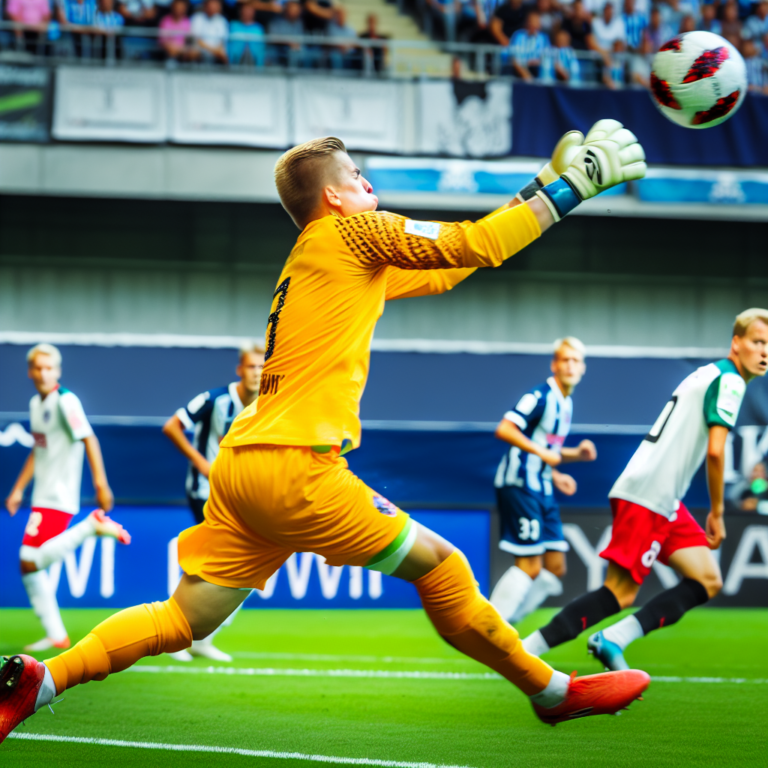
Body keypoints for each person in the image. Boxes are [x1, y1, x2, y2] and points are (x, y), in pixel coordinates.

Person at [0, 122, 650, 741]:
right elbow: (471, 244)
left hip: (242, 468)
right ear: (335, 197)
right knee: (444, 568)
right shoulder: (353, 235)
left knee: (182, 617)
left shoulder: (331, 255)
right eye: (360, 176)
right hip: (297, 468)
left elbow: (453, 265)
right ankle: (553, 692)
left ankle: (41, 681)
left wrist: (540, 183)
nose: (370, 185)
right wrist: (576, 186)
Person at [523, 309, 768, 669]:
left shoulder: (708, 373)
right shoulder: (731, 382)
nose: (764, 352)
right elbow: (716, 451)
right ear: (736, 343)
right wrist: (716, 512)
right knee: (619, 593)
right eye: (758, 342)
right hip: (651, 494)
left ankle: (613, 639)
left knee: (707, 579)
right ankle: (525, 650)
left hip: (663, 497)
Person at [3, 344, 131, 653]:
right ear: (31, 371)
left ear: (58, 371)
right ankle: (56, 635)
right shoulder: (37, 404)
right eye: (38, 368)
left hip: (59, 496)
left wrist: (101, 483)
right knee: (28, 564)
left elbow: (88, 438)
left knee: (29, 559)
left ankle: (91, 526)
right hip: (41, 495)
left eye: (49, 368)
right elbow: (39, 448)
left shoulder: (66, 401)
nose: (44, 373)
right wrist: (19, 488)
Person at [161, 343, 264, 661]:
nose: (257, 373)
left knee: (242, 563)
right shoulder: (215, 399)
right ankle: (171, 633)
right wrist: (202, 464)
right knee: (211, 561)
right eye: (251, 367)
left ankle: (202, 637)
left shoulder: (269, 405)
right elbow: (172, 426)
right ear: (239, 369)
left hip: (240, 495)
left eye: (262, 367)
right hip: (205, 491)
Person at [490, 337, 597, 624]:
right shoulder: (539, 397)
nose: (570, 365)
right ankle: (489, 626)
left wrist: (565, 465)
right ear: (554, 365)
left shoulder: (566, 402)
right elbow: (505, 429)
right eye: (565, 359)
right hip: (520, 484)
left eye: (576, 361)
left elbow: (546, 449)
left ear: (583, 368)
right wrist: (542, 455)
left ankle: (508, 623)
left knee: (555, 567)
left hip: (543, 485)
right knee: (529, 566)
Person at [509, 11, 550, 79]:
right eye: (530, 21)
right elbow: (514, 57)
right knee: (517, 63)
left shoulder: (544, 38)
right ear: (526, 22)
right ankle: (530, 82)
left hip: (538, 68)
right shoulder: (518, 35)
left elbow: (546, 57)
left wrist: (535, 62)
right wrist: (526, 63)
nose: (532, 24)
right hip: (520, 68)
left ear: (539, 24)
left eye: (535, 22)